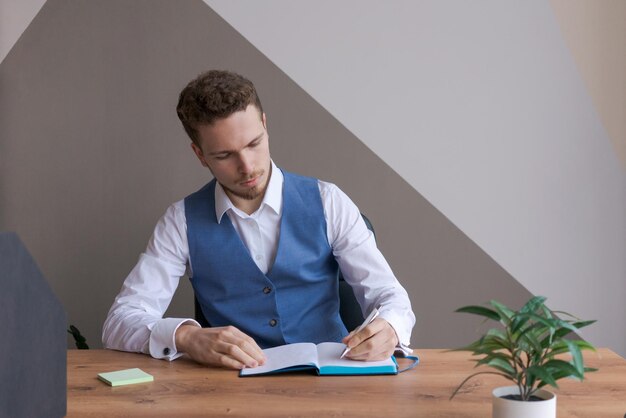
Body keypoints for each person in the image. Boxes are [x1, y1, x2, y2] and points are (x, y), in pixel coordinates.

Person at [102, 70, 415, 370]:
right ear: (200, 155)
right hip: (234, 390)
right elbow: (120, 320)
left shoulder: (328, 201)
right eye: (225, 155)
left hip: (333, 380)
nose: (247, 166)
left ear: (265, 125)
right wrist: (186, 336)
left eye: (253, 144)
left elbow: (390, 295)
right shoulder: (179, 222)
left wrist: (390, 326)